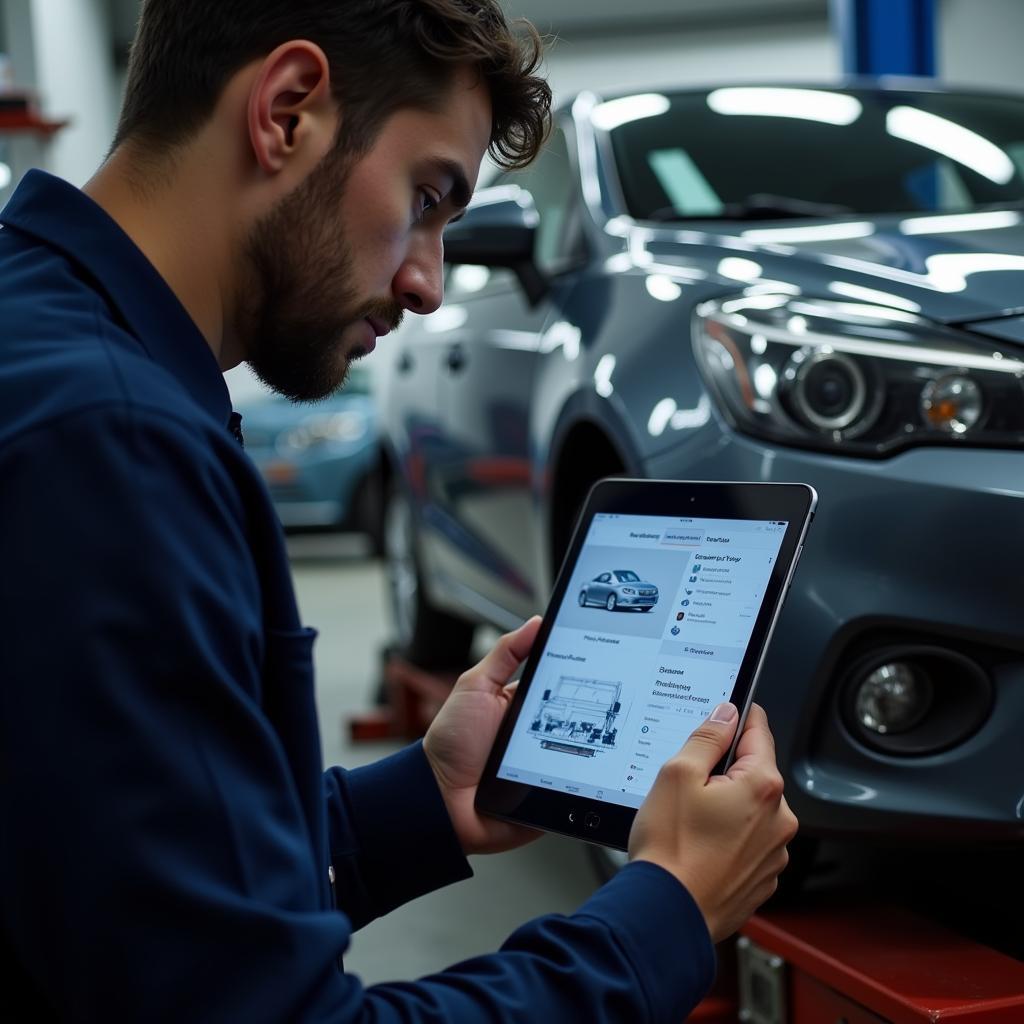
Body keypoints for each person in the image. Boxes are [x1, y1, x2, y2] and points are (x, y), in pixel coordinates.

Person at [0, 2, 797, 1020]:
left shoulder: (39, 338)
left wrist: (420, 801)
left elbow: (120, 883)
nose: (428, 284)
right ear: (286, 113)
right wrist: (664, 913)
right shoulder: (111, 444)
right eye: (426, 196)